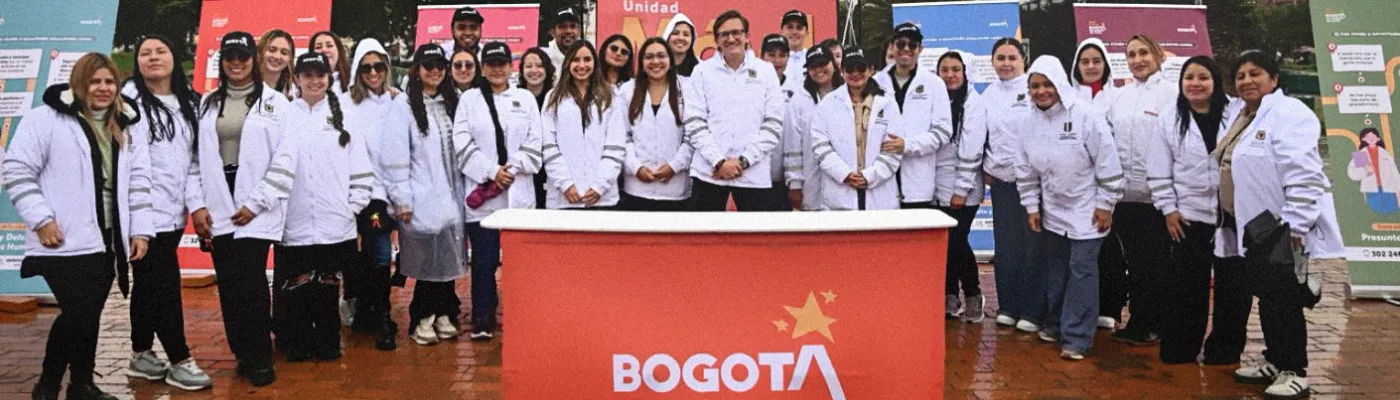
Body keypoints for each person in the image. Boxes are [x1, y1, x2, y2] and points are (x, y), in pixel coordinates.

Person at [5, 52, 152, 400]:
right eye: (95, 81)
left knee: (88, 315)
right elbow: (16, 169)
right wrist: (41, 219)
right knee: (78, 313)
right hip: (63, 238)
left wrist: (140, 230)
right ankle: (47, 385)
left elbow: (140, 180)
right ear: (79, 83)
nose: (102, 88)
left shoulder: (127, 124)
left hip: (107, 241)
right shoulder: (46, 120)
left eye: (109, 81)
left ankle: (81, 384)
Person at [1224, 50, 1345, 400]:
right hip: (1257, 229)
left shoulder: (1289, 114)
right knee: (1268, 297)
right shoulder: (1245, 115)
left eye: (1255, 73)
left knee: (1284, 300)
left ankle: (1295, 370)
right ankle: (1275, 361)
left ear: (1274, 79)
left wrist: (1295, 227)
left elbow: (1305, 175)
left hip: (1283, 226)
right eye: (1241, 75)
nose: (1247, 80)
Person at [190, 31, 289, 387]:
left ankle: (262, 356)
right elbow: (196, 160)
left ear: (254, 59)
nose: (236, 62)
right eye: (230, 55)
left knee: (251, 285)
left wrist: (256, 202)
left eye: (242, 56)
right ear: (223, 60)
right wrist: (198, 205)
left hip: (255, 208)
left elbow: (285, 160)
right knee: (229, 285)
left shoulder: (276, 103)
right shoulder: (207, 103)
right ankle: (243, 353)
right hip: (219, 206)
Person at [121, 35, 213, 391]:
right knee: (164, 286)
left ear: (176, 58)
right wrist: (140, 221)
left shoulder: (190, 102)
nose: (153, 58)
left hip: (173, 214)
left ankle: (141, 354)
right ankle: (179, 359)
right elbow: (135, 164)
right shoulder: (127, 103)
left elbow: (192, 162)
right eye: (145, 52)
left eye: (161, 51)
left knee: (148, 286)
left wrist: (196, 204)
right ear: (137, 62)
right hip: (140, 215)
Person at [1017, 55, 1123, 361]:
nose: (1041, 91)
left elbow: (1108, 162)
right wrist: (1031, 207)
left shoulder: (1085, 115)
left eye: (1047, 84)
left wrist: (1106, 205)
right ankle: (1055, 323)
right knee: (1058, 271)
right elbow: (1024, 170)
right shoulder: (1028, 122)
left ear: (1060, 84)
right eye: (1035, 85)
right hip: (1053, 210)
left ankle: (1077, 337)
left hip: (1088, 209)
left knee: (1081, 270)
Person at [1146, 55, 1250, 365]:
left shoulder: (1237, 113)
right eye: (1189, 78)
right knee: (1186, 287)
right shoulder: (1169, 117)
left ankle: (1225, 350)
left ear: (1215, 82)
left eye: (1203, 77)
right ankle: (1181, 348)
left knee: (1234, 288)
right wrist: (1168, 208)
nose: (1195, 83)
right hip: (1188, 216)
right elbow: (1158, 169)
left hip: (1232, 215)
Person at [271, 51, 373, 362]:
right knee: (298, 286)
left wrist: (353, 205)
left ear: (329, 78)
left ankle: (328, 341)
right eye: (307, 75)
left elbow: (360, 164)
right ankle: (299, 341)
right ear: (297, 79)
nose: (314, 81)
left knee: (328, 285)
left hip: (335, 222)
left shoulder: (345, 113)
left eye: (320, 75)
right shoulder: (284, 114)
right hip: (295, 220)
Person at [455, 41, 545, 339]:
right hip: (484, 196)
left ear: (511, 66)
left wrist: (513, 168)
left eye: (502, 63)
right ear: (483, 67)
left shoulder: (525, 99)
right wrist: (493, 171)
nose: (497, 68)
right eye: (491, 63)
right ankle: (483, 317)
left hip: (519, 194)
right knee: (484, 258)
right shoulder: (469, 100)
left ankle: (522, 315)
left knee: (520, 262)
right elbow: (462, 143)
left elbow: (536, 141)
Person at [383, 44, 468, 346]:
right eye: (428, 64)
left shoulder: (452, 103)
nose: (434, 70)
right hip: (420, 196)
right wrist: (401, 199)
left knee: (447, 257)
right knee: (427, 260)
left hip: (452, 194)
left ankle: (444, 312)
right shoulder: (403, 106)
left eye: (439, 65)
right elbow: (394, 156)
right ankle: (423, 316)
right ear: (417, 69)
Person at [959, 38, 1041, 333]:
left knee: (1033, 247)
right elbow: (980, 138)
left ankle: (1033, 311)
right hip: (1002, 184)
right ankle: (1009, 306)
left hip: (1033, 183)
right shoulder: (988, 95)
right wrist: (985, 167)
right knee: (1007, 247)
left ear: (1023, 61)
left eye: (1012, 58)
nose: (1006, 63)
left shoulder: (1034, 89)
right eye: (1000, 58)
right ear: (992, 62)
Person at [1101, 35, 1179, 342]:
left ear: (1158, 54)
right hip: (1126, 196)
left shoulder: (1172, 94)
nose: (1137, 59)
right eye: (1131, 54)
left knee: (1158, 262)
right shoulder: (1120, 96)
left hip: (1158, 197)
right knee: (1135, 261)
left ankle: (1156, 323)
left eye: (1144, 52)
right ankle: (1140, 321)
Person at [684, 10, 786, 211]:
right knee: (702, 240)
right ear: (716, 40)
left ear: (747, 36)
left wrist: (743, 161)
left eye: (737, 32)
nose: (731, 38)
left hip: (753, 175)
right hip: (710, 173)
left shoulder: (765, 71)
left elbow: (773, 125)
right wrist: (719, 162)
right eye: (724, 34)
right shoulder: (702, 71)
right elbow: (695, 123)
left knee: (756, 242)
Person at [343, 37, 402, 351]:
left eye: (379, 65)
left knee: (386, 256)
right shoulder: (345, 103)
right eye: (366, 67)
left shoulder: (398, 101)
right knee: (377, 254)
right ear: (357, 70)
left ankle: (370, 309)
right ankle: (381, 316)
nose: (373, 72)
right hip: (365, 193)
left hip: (397, 191)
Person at [808, 47, 904, 211]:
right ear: (842, 72)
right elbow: (820, 145)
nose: (855, 73)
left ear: (871, 70)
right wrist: (844, 174)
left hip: (880, 195)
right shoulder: (828, 104)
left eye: (861, 68)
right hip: (840, 192)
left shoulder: (888, 104)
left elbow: (893, 148)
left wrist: (870, 176)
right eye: (849, 69)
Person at [873, 23, 953, 213]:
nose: (906, 50)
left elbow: (943, 131)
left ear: (920, 49)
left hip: (918, 184)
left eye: (912, 45)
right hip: (881, 181)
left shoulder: (934, 84)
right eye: (901, 44)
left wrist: (907, 145)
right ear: (892, 47)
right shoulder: (875, 83)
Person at [542, 40, 627, 210]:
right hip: (563, 198)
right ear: (567, 64)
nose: (582, 65)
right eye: (575, 60)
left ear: (595, 63)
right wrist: (565, 184)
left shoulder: (610, 97)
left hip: (601, 198)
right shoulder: (553, 98)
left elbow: (616, 146)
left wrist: (599, 187)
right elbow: (548, 146)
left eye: (587, 59)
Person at [935, 51, 986, 323]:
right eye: (945, 69)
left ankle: (973, 292)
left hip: (964, 189)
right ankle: (949, 294)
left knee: (957, 241)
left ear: (965, 73)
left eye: (956, 69)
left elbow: (972, 149)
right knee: (945, 244)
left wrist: (961, 188)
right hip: (936, 187)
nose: (950, 75)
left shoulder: (974, 104)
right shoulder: (934, 101)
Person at [620, 38, 692, 211]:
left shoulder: (687, 88)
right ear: (642, 62)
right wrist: (636, 168)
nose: (655, 62)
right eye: (649, 57)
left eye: (661, 56)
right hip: (636, 189)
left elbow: (692, 137)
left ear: (670, 60)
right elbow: (622, 136)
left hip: (675, 189)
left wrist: (674, 167)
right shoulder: (627, 90)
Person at [783, 46, 843, 211]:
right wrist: (795, 183)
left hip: (845, 182)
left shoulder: (848, 93)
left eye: (823, 64)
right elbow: (792, 143)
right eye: (813, 67)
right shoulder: (799, 99)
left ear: (833, 64)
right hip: (812, 184)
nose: (818, 70)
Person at [760, 33, 801, 210]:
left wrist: (794, 180)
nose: (777, 60)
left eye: (782, 55)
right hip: (753, 175)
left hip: (783, 179)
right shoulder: (750, 86)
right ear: (761, 56)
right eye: (771, 54)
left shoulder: (797, 90)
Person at [519, 47, 557, 209]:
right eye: (528, 66)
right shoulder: (515, 97)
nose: (534, 70)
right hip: (524, 169)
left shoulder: (556, 98)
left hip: (551, 168)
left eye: (539, 65)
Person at [1349, 128, 1400, 213]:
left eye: (1373, 136)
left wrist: (1398, 188)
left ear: (1378, 138)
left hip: (1388, 188)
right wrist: (1365, 171)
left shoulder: (1385, 153)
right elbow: (1352, 173)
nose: (1371, 138)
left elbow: (1394, 172)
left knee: (1392, 209)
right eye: (1367, 136)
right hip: (1371, 189)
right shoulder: (1361, 154)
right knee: (1374, 212)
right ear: (1363, 139)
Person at [1070, 38, 1114, 106]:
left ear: (1105, 65)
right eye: (1085, 62)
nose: (1091, 66)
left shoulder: (1118, 99)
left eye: (1096, 61)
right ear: (1077, 67)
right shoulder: (1068, 101)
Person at [543, 6, 584, 79]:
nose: (568, 31)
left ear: (579, 31)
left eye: (573, 26)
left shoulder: (587, 54)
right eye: (562, 27)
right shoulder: (544, 56)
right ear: (553, 32)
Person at [258, 29, 296, 98]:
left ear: (290, 58)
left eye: (284, 52)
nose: (277, 56)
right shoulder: (245, 84)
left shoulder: (295, 92)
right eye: (272, 50)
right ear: (260, 52)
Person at [779, 10, 810, 83]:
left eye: (799, 28)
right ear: (781, 31)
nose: (794, 32)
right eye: (790, 27)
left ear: (807, 32)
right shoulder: (773, 60)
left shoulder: (813, 59)